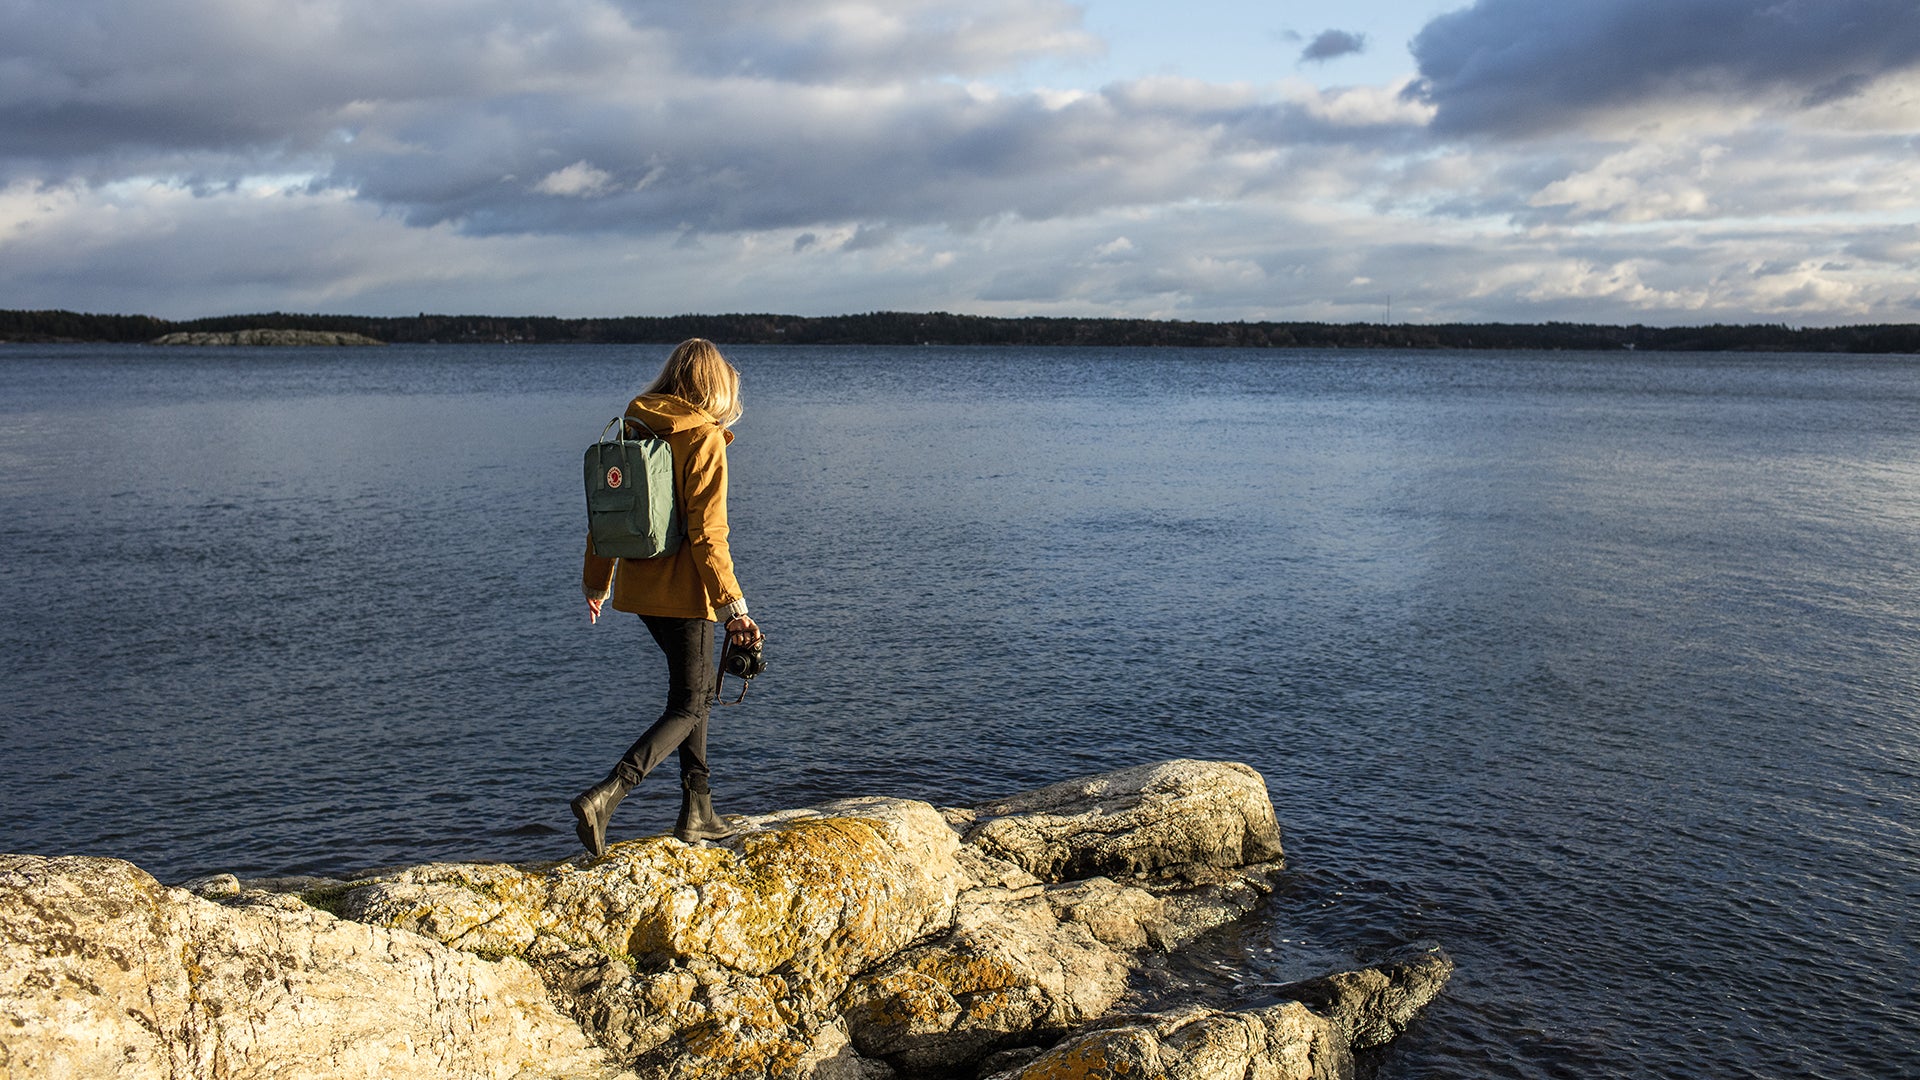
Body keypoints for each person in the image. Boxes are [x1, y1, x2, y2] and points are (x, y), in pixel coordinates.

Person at [572, 338, 763, 857]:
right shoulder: (703, 438)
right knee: (690, 701)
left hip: (640, 591)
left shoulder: (633, 426)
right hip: (687, 593)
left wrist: (597, 583)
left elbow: (605, 513)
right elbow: (708, 535)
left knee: (693, 693)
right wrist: (735, 610)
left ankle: (697, 807)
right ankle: (608, 794)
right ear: (717, 386)